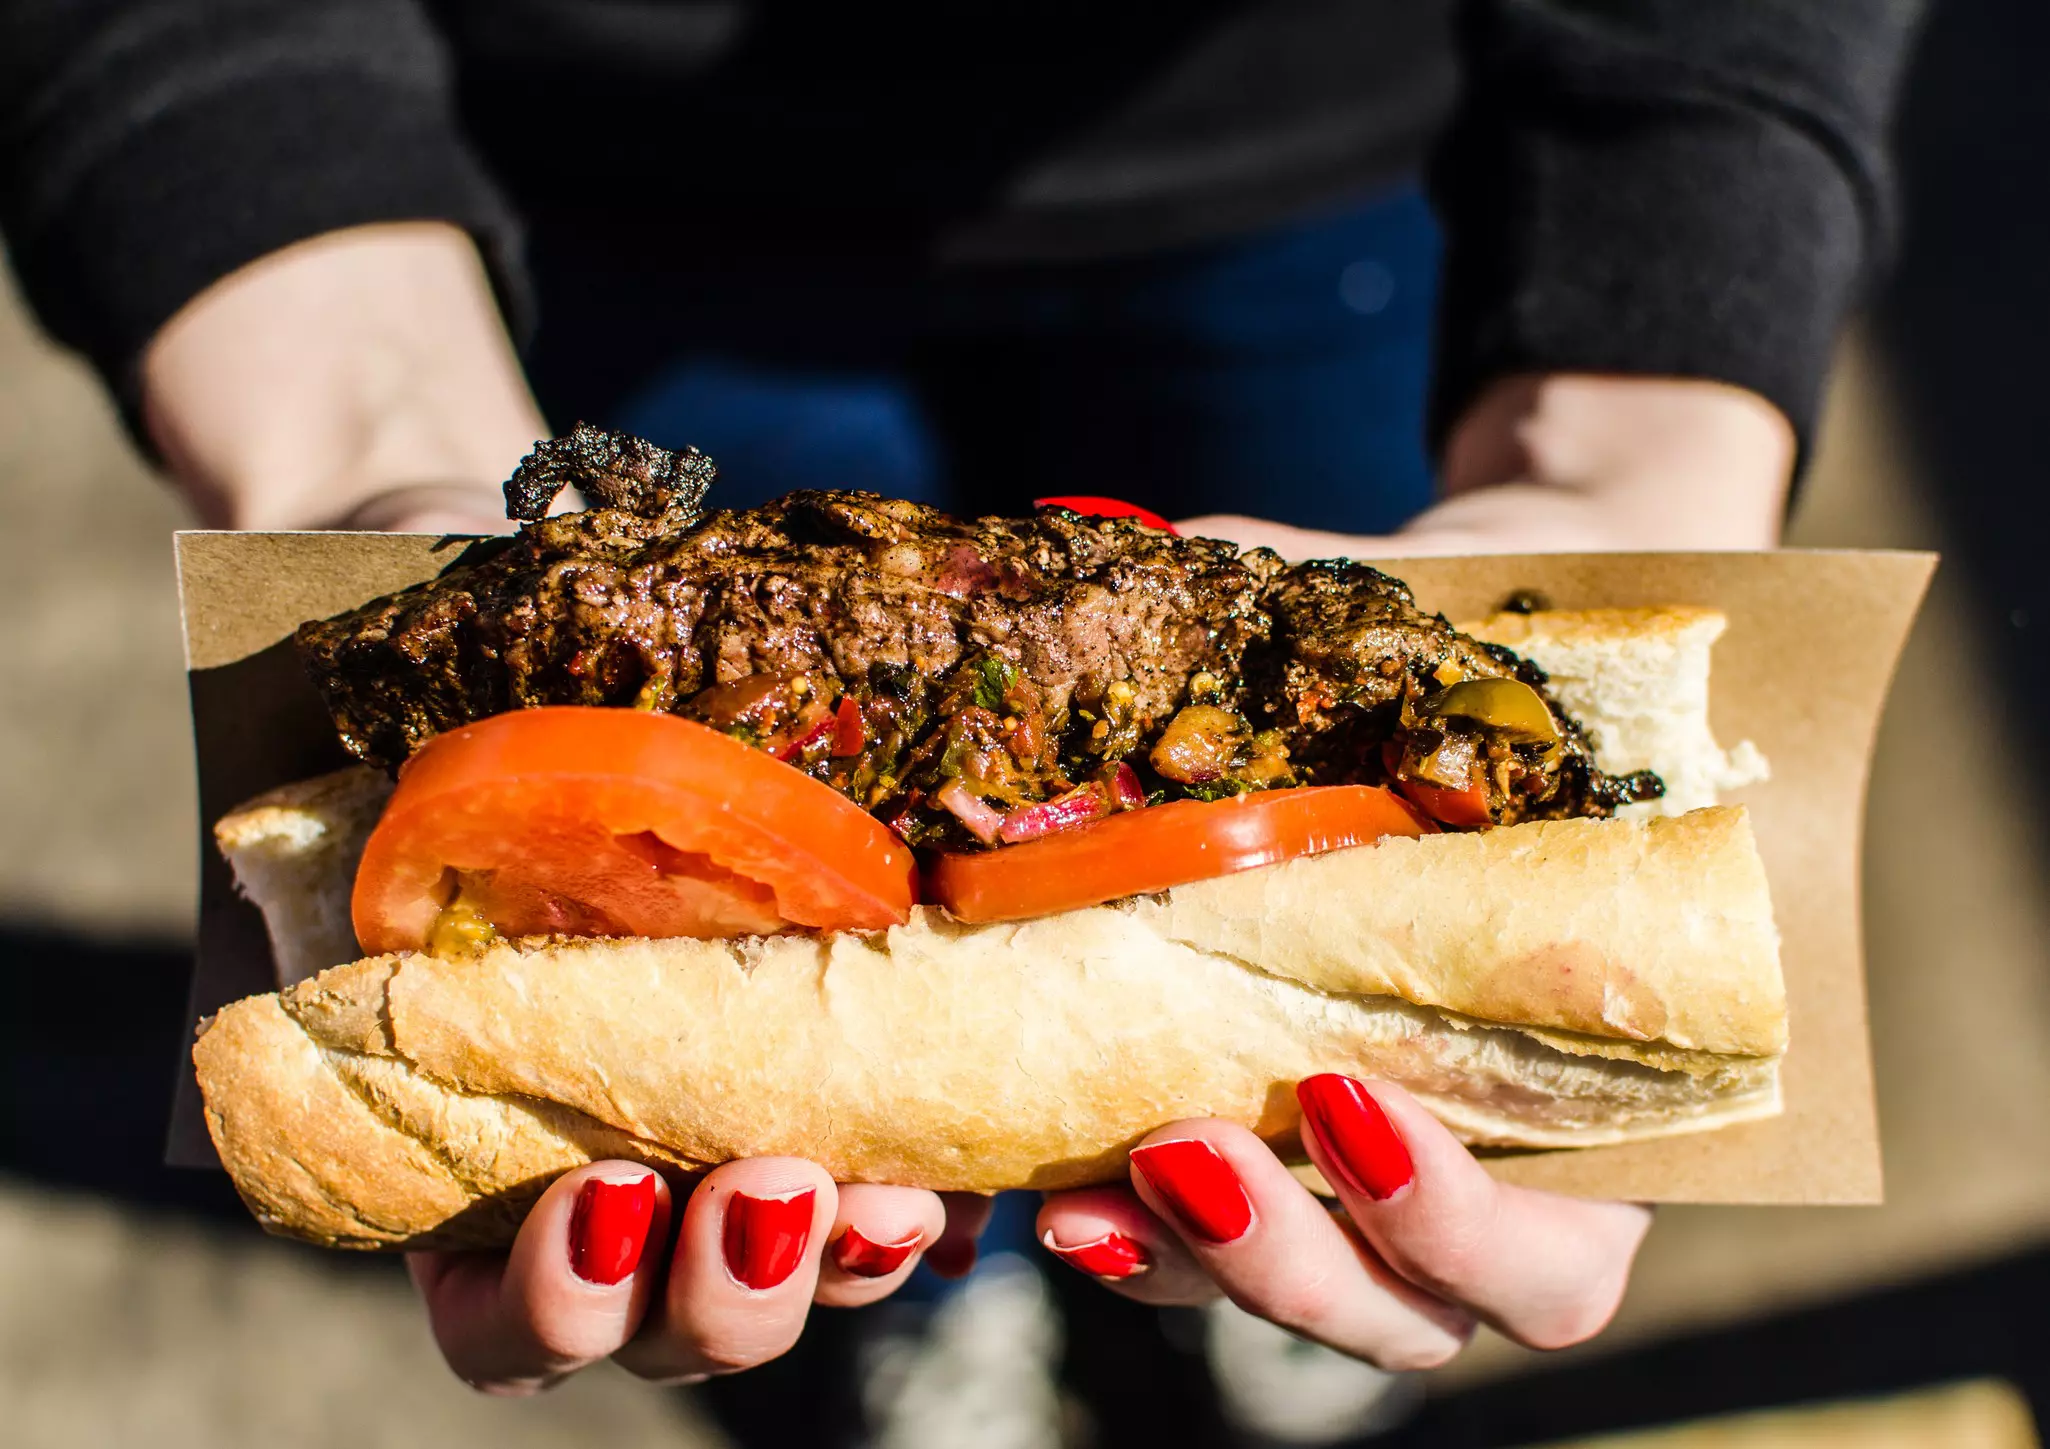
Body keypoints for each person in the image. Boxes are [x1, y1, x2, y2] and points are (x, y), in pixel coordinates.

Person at [1, 0, 1919, 1439]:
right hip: (602, 186)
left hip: (1330, 161)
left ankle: (1262, 1247)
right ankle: (922, 1296)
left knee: (1338, 621)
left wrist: (1630, 435)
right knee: (803, 1153)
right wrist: (348, 443)